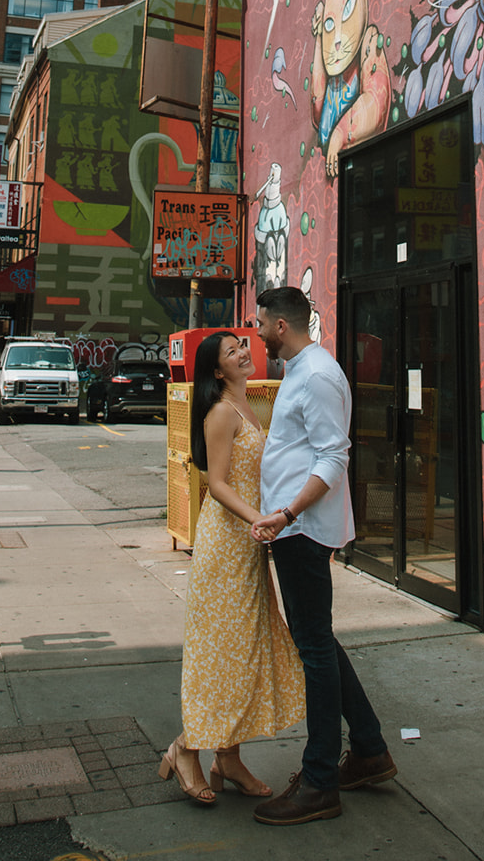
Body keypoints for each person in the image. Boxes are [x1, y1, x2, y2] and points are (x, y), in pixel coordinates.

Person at [250, 285, 395, 825]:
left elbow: (334, 456)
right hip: (298, 530)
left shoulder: (315, 375)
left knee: (314, 649)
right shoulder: (300, 371)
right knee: (319, 642)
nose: (258, 330)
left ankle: (319, 781)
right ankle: (370, 750)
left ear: (281, 326)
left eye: (261, 322)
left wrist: (287, 513)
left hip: (303, 531)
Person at [160, 331, 304, 807]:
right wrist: (260, 519)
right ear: (217, 371)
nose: (244, 352)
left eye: (244, 344)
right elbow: (216, 484)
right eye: (231, 351)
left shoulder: (247, 406)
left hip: (247, 546)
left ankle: (229, 758)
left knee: (244, 653)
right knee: (225, 655)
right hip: (226, 547)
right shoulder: (221, 411)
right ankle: (185, 749)